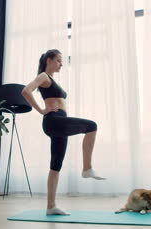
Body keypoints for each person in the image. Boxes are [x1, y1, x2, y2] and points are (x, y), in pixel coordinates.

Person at [21, 49, 105, 215]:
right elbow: (25, 91)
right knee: (91, 126)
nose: (61, 64)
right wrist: (41, 110)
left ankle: (50, 207)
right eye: (59, 60)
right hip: (54, 120)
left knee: (55, 166)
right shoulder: (44, 76)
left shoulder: (50, 79)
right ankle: (87, 168)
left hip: (58, 124)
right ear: (49, 60)